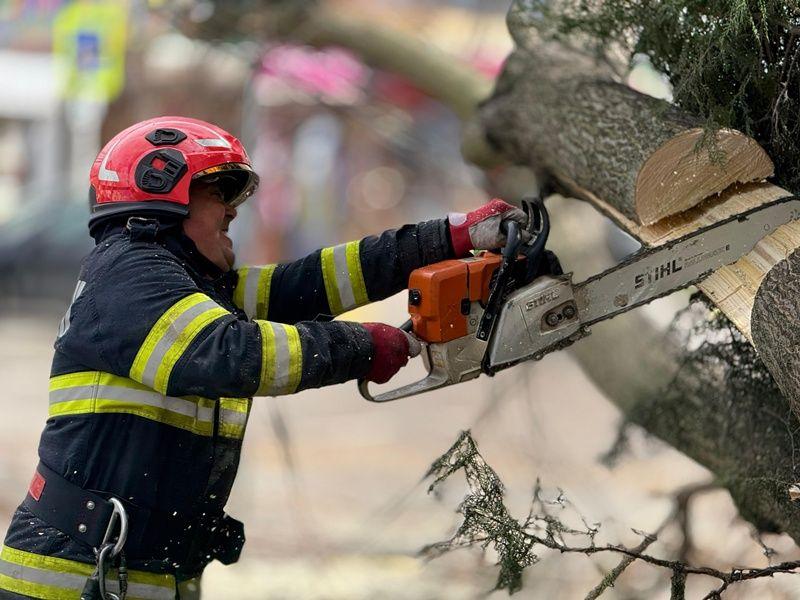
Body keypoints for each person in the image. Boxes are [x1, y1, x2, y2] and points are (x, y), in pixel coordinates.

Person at [0, 116, 527, 600]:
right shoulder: (131, 274)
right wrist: (364, 346)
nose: (233, 208)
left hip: (132, 574)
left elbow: (312, 283)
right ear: (161, 189)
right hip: (67, 581)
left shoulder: (187, 286)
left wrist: (449, 236)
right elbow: (229, 353)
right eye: (218, 190)